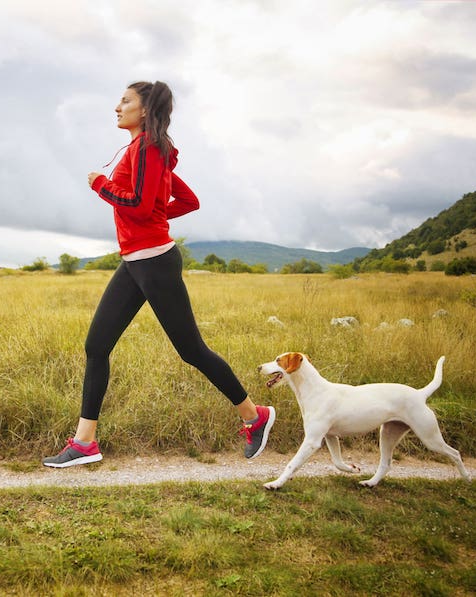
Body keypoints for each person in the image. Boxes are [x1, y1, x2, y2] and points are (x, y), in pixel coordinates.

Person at [43, 81, 275, 468]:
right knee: (97, 346)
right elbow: (183, 201)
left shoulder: (149, 150)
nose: (117, 107)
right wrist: (151, 212)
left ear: (145, 111)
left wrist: (101, 185)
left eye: (125, 101)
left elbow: (136, 203)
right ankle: (85, 442)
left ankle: (256, 416)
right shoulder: (147, 152)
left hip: (155, 261)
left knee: (192, 351)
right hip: (135, 260)